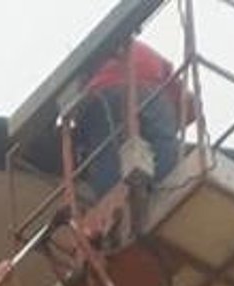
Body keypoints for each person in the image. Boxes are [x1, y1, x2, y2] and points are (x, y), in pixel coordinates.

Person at [72, 34, 189, 198]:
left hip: (97, 100)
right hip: (145, 91)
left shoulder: (96, 58)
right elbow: (189, 105)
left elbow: (78, 99)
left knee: (106, 156)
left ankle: (113, 201)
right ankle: (167, 191)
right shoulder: (149, 57)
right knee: (164, 147)